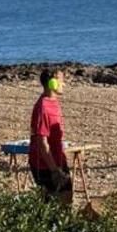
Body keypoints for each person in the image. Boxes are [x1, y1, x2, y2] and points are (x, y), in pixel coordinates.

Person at [29, 68, 72, 206]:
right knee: (52, 204)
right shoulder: (43, 107)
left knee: (67, 198)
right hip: (45, 165)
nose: (64, 84)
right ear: (53, 82)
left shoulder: (54, 102)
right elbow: (42, 142)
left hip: (58, 160)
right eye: (61, 80)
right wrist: (54, 170)